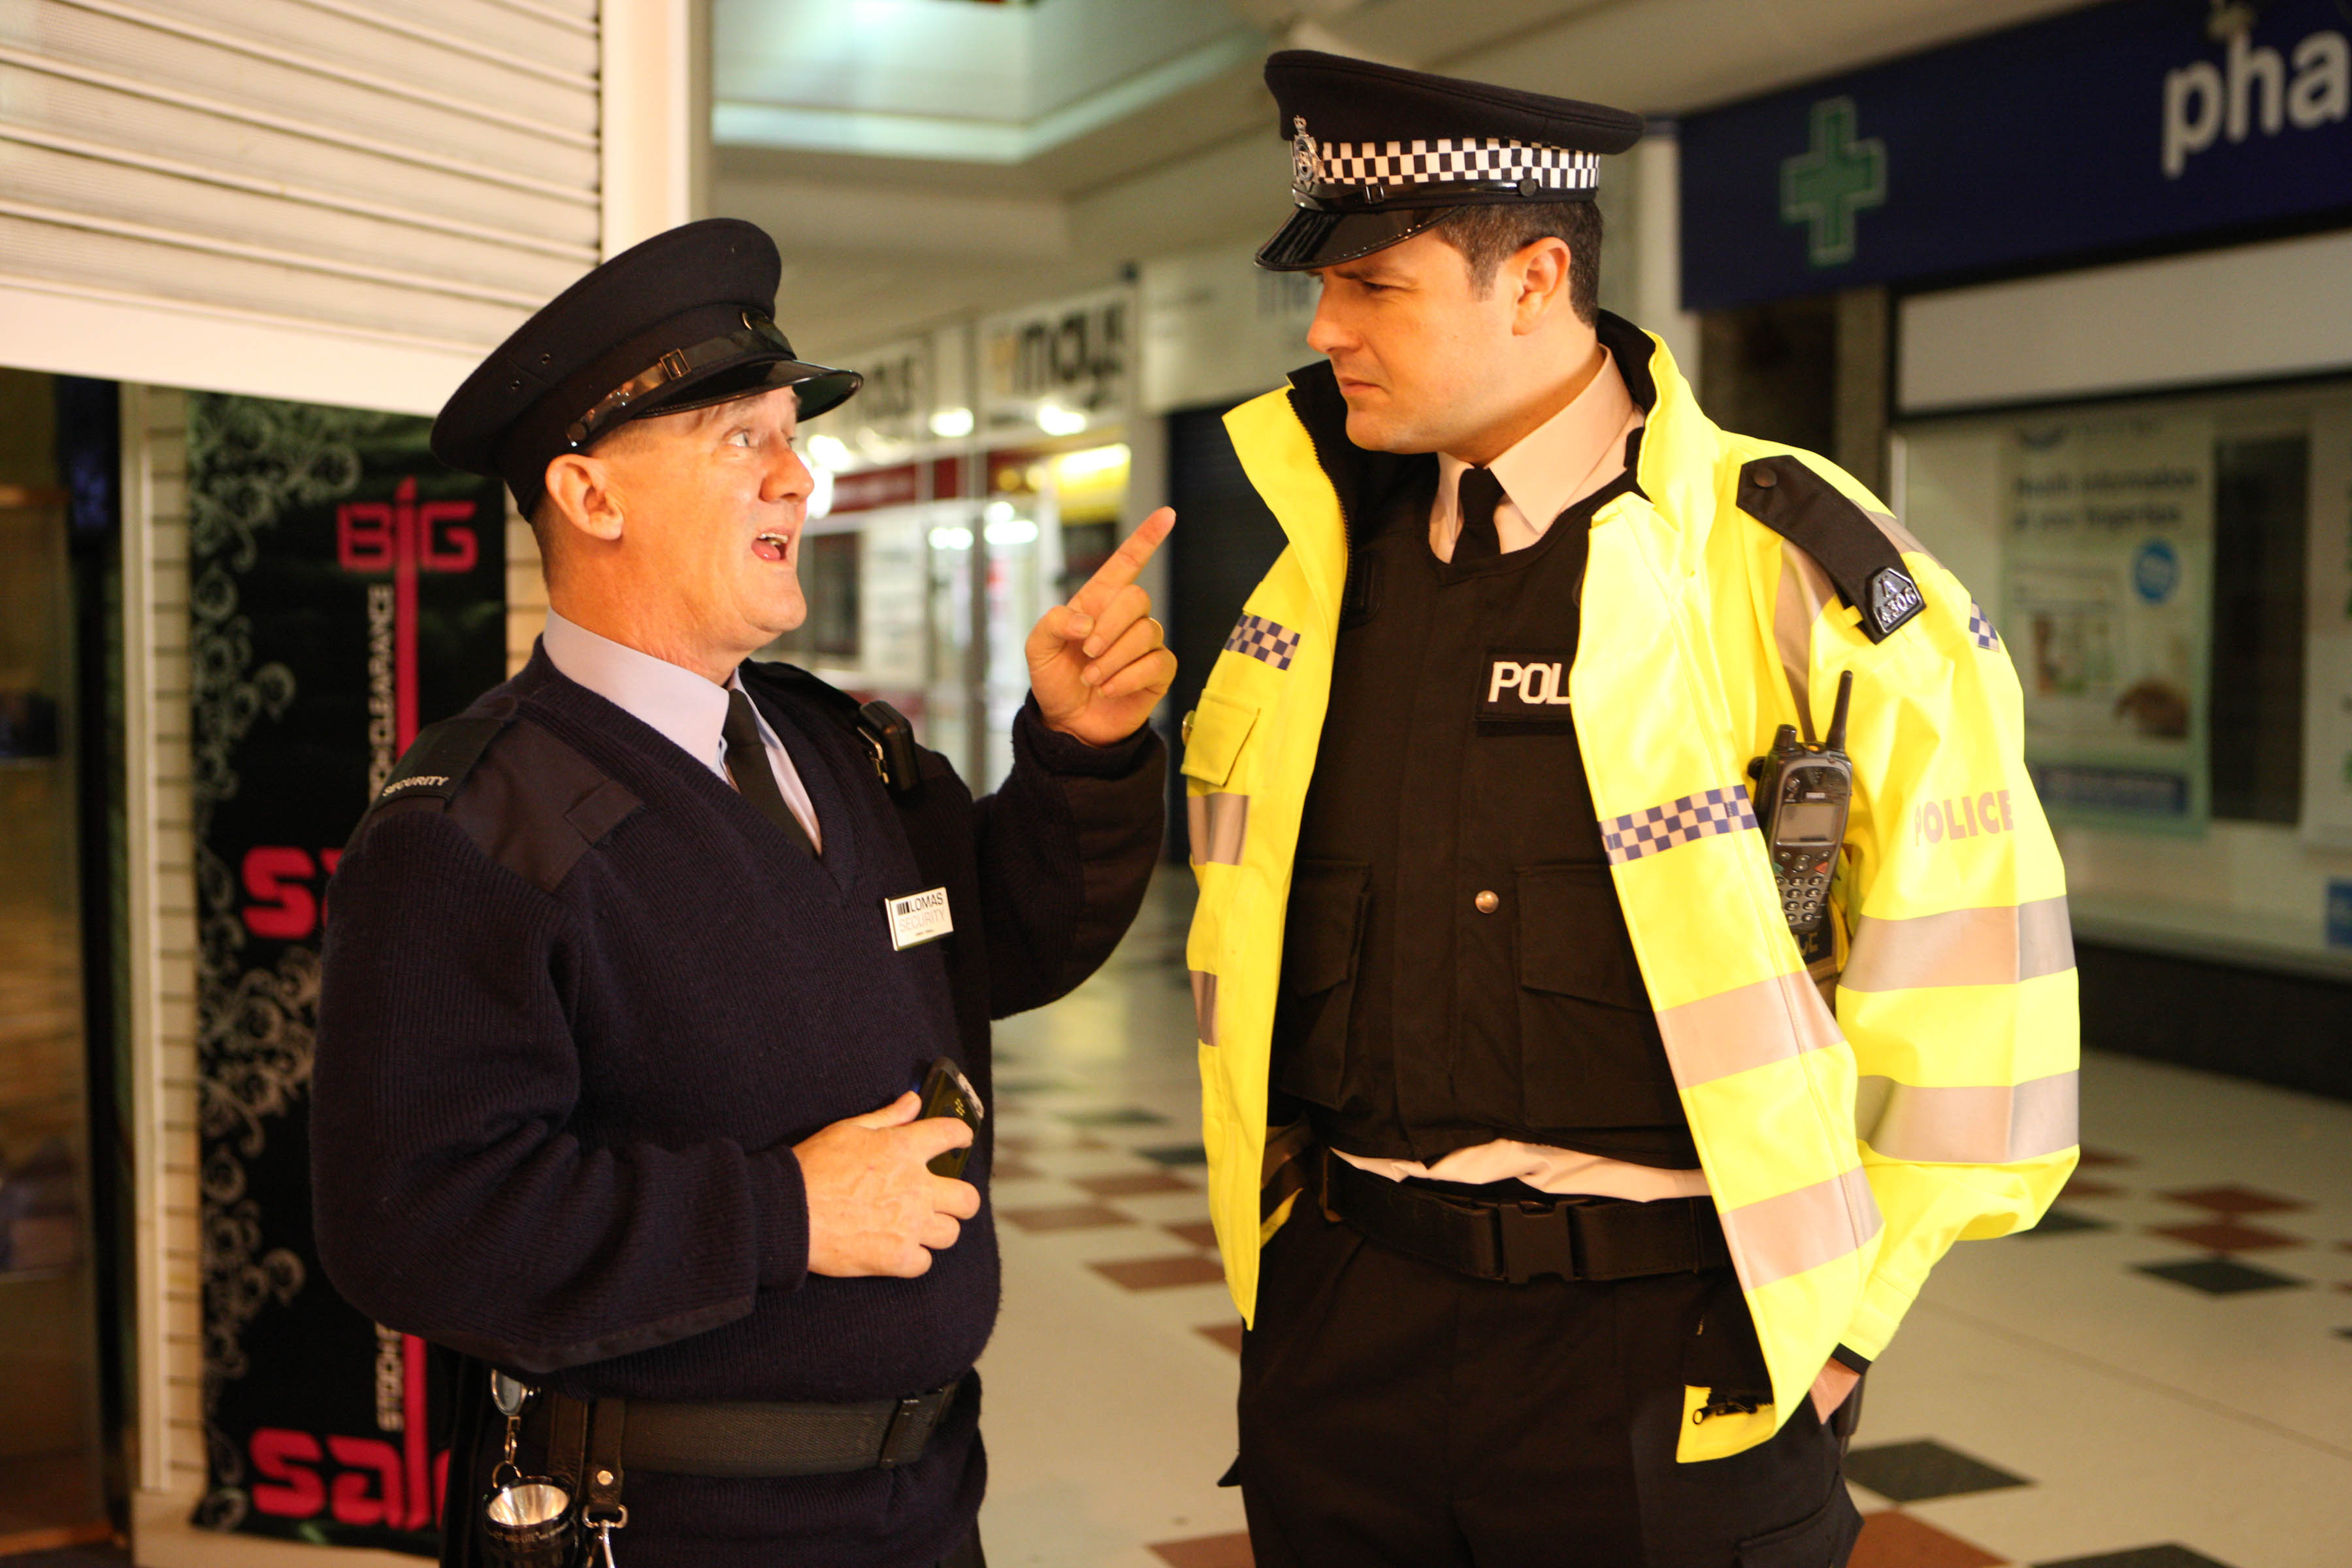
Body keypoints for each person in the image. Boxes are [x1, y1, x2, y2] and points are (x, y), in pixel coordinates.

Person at [1180, 51, 2078, 1567]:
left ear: (1534, 280)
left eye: (1373, 284)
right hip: (1346, 1333)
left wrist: (1843, 1330)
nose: (1324, 328)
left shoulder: (1793, 573)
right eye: (1322, 288)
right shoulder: (1321, 574)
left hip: (1670, 1353)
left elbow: (1982, 986)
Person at [310, 218, 1174, 1568]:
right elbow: (414, 1223)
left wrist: (1086, 752)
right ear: (591, 498)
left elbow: (1002, 941)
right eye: (741, 441)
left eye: (794, 434)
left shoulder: (844, 748)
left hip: (924, 1504)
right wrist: (788, 1216)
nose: (803, 480)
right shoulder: (472, 831)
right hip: (660, 1525)